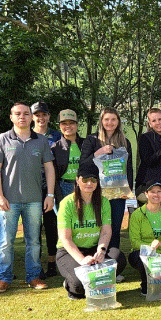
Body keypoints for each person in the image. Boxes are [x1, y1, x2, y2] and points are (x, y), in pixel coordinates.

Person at [0, 102, 55, 292]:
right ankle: (4, 277)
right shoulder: (2, 139)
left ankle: (33, 277)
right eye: (18, 114)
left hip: (34, 200)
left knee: (33, 241)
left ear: (31, 117)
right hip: (8, 201)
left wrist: (50, 195)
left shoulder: (41, 140)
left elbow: (49, 169)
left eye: (26, 114)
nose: (22, 117)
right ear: (11, 117)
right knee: (6, 242)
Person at [55, 162, 127, 299]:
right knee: (78, 287)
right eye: (85, 179)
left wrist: (101, 251)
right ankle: (71, 283)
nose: (89, 183)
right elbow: (65, 238)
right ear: (77, 180)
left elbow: (106, 231)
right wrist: (82, 260)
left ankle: (96, 280)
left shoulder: (103, 202)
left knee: (119, 258)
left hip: (93, 249)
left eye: (93, 180)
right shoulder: (67, 203)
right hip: (71, 252)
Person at [79, 107, 134, 251]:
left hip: (118, 192)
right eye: (107, 119)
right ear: (101, 121)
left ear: (118, 121)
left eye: (113, 119)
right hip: (97, 191)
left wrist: (128, 190)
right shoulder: (91, 140)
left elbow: (129, 168)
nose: (110, 123)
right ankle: (95, 257)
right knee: (97, 225)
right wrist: (99, 152)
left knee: (115, 226)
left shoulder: (125, 142)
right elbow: (83, 165)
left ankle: (113, 258)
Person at [49, 109, 84, 277]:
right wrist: (56, 196)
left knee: (83, 223)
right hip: (64, 187)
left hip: (84, 187)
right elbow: (53, 175)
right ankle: (67, 261)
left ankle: (85, 258)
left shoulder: (86, 144)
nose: (68, 126)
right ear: (59, 126)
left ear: (77, 125)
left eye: (71, 123)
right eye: (64, 124)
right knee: (66, 226)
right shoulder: (55, 147)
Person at [127, 182, 161, 296]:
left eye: (159, 192)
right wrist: (149, 247)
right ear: (146, 194)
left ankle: (160, 281)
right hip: (144, 253)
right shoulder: (137, 214)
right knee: (141, 258)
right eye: (152, 192)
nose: (156, 195)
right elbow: (134, 241)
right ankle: (146, 285)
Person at [32, 101, 61, 278]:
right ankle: (35, 264)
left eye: (44, 114)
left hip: (52, 187)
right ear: (32, 117)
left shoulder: (57, 136)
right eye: (37, 115)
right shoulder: (27, 135)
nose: (41, 118)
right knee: (34, 227)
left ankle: (52, 262)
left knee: (52, 225)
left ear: (49, 116)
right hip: (32, 187)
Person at [135, 108, 161, 208]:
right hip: (148, 186)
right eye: (154, 121)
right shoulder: (145, 138)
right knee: (147, 215)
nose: (158, 123)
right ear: (150, 124)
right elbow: (149, 161)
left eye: (160, 119)